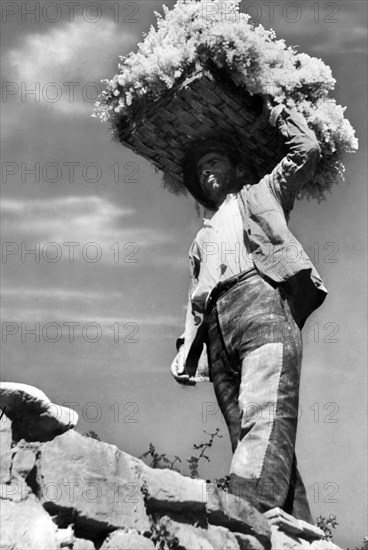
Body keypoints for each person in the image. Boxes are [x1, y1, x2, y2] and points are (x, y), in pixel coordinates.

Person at [170, 96, 328, 522]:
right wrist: (187, 350)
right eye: (201, 168)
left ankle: (246, 511)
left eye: (215, 161)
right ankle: (297, 528)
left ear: (237, 169)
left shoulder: (262, 194)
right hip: (218, 329)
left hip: (260, 303)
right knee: (248, 430)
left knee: (266, 409)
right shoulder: (200, 240)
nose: (207, 171)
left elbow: (306, 150)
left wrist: (274, 106)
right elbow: (197, 297)